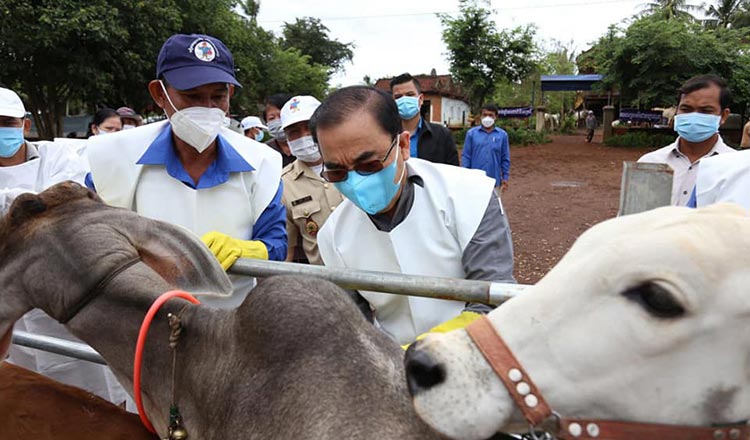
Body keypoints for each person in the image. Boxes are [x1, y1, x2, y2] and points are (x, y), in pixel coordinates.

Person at [86, 33, 287, 298]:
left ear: (231, 93)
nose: (206, 108)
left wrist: (249, 250)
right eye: (191, 96)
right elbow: (88, 238)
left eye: (218, 97)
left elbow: (276, 242)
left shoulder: (262, 163)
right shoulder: (113, 158)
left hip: (229, 324)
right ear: (159, 94)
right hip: (144, 318)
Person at [313, 86, 515, 345]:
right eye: (337, 173)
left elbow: (496, 301)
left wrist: (421, 353)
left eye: (369, 165)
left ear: (403, 146)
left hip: (474, 354)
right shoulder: (333, 235)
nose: (356, 182)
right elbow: (353, 323)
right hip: (391, 365)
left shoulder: (469, 197)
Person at [0, 87, 121, 404]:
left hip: (62, 291)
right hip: (10, 295)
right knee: (24, 387)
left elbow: (63, 204)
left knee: (86, 390)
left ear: (25, 126)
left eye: (6, 122)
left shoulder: (59, 158)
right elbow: (35, 207)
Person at [637, 75, 736, 206]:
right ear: (677, 111)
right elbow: (631, 218)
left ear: (723, 115)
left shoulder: (737, 169)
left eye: (705, 111)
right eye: (686, 109)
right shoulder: (650, 163)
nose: (694, 116)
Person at [279, 95, 344, 265]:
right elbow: (287, 250)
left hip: (373, 279)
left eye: (309, 127)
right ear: (286, 139)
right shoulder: (283, 184)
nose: (304, 135)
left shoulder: (353, 164)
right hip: (325, 283)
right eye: (294, 132)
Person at [389, 73, 459, 165]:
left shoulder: (442, 135)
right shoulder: (386, 136)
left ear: (421, 99)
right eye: (398, 97)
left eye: (410, 95)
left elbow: (453, 171)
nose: (404, 100)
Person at [461, 103, 511, 196]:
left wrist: (505, 177)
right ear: (480, 116)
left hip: (494, 181)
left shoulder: (502, 135)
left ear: (495, 117)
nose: (487, 117)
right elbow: (466, 156)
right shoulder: (471, 134)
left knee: (493, 209)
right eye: (485, 115)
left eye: (491, 115)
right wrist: (465, 175)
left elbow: (505, 158)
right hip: (474, 181)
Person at [264, 93, 296, 167]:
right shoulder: (264, 150)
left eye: (281, 116)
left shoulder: (308, 146)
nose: (277, 121)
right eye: (271, 118)